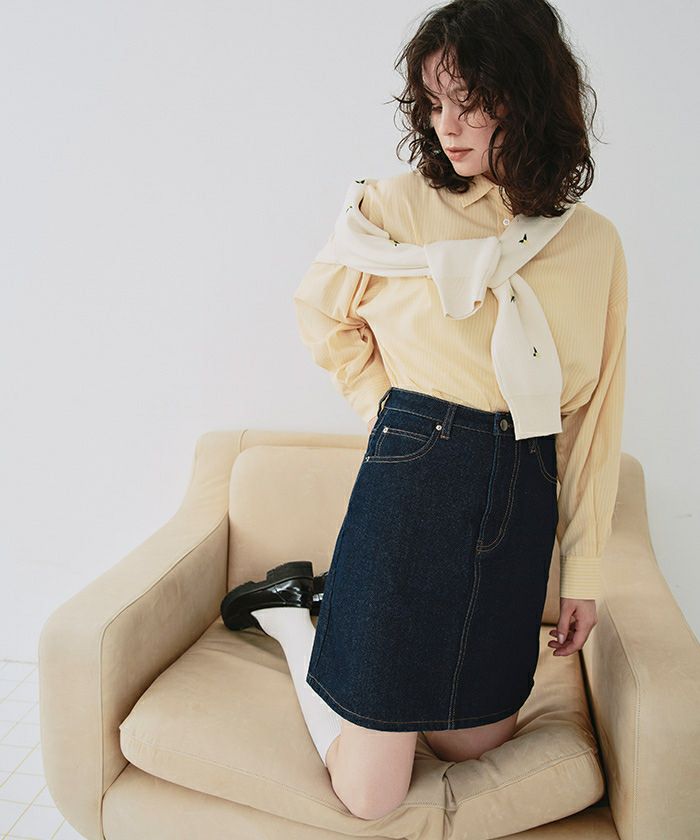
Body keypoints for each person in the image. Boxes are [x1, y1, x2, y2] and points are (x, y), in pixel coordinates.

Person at [221, 0, 627, 822]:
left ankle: (327, 609)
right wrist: (394, 411)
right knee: (370, 795)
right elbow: (320, 313)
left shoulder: (594, 245)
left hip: (522, 493)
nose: (448, 125)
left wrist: (583, 572)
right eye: (436, 101)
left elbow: (595, 418)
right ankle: (293, 616)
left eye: (470, 102)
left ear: (529, 99)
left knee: (473, 743)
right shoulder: (394, 207)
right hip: (413, 481)